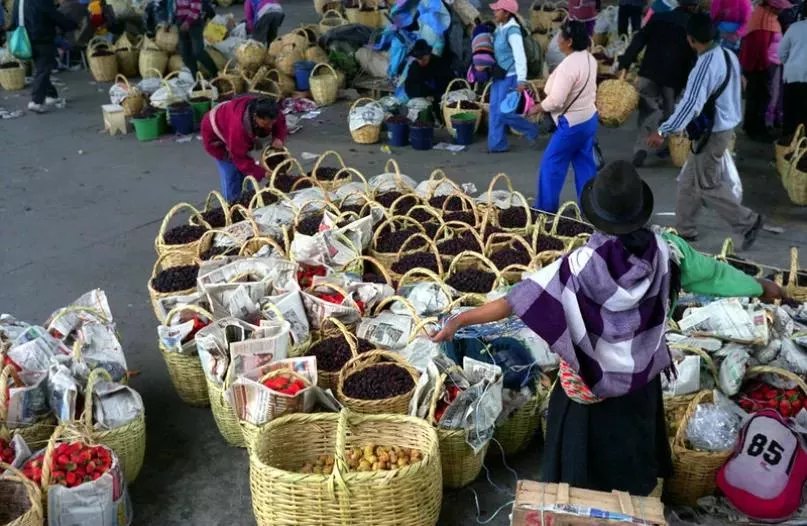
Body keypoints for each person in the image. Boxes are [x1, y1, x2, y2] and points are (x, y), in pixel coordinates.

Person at [431, 161, 785, 496]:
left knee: (578, 476)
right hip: (638, 386)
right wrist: (762, 286)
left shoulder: (579, 265)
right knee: (630, 470)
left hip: (587, 391)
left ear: (597, 217)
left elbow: (516, 300)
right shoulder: (669, 253)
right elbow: (717, 274)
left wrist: (460, 320)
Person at [648, 13, 763, 249]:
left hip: (712, 134)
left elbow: (691, 105)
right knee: (689, 181)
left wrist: (663, 130)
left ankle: (748, 222)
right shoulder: (728, 55)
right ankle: (685, 229)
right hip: (724, 128)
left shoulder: (705, 65)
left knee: (707, 186)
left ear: (690, 39)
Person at [527, 20, 598, 213]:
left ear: (569, 41)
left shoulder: (569, 66)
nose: (557, 41)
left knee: (551, 164)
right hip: (589, 119)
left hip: (572, 124)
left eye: (560, 37)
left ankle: (545, 210)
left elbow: (556, 100)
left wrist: (538, 107)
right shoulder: (589, 59)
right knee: (585, 166)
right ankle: (591, 210)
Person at [619, 0, 698, 166]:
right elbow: (694, 57)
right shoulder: (693, 26)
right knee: (668, 112)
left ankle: (642, 147)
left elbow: (638, 40)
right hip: (674, 78)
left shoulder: (659, 17)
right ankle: (664, 145)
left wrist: (625, 63)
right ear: (694, 7)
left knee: (649, 110)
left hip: (649, 72)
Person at [201, 96, 287, 202]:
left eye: (272, 123)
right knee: (231, 172)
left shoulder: (270, 111)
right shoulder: (238, 129)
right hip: (215, 134)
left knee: (247, 175)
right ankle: (232, 205)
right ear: (255, 116)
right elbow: (240, 158)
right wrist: (263, 173)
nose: (270, 127)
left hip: (228, 121)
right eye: (265, 124)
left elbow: (280, 121)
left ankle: (250, 199)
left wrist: (278, 138)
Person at [487, 0, 539, 153]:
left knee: (503, 113)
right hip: (499, 76)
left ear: (507, 13)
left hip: (510, 78)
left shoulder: (513, 31)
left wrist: (521, 80)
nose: (494, 12)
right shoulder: (500, 28)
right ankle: (496, 145)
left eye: (498, 10)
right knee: (495, 110)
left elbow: (520, 56)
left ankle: (531, 129)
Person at [9, 0, 78, 113]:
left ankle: (51, 95)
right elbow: (55, 16)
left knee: (42, 68)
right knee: (44, 69)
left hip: (26, 40)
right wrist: (72, 25)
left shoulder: (19, 1)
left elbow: (13, 21)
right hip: (42, 39)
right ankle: (36, 101)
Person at [739, 0, 791, 142]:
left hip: (763, 65)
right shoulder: (764, 20)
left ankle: (751, 127)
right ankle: (757, 130)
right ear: (769, 6)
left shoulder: (766, 17)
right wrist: (764, 68)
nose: (780, 11)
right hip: (761, 66)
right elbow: (760, 49)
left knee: (756, 98)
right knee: (760, 98)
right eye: (777, 8)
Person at [779, 1, 807, 136]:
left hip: (793, 77)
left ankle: (786, 151)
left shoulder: (794, 28)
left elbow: (781, 53)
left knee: (790, 117)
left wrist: (790, 63)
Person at [397, 39, 450, 104]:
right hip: (420, 99)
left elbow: (447, 85)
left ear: (429, 55)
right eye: (418, 59)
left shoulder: (439, 64)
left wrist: (435, 97)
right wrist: (420, 96)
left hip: (439, 100)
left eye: (424, 59)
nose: (421, 62)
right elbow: (409, 87)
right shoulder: (414, 67)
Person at [174, 0, 217, 78]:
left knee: (198, 52)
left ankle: (215, 73)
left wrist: (188, 22)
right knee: (186, 55)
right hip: (180, 22)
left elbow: (196, 6)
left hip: (194, 23)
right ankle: (196, 79)